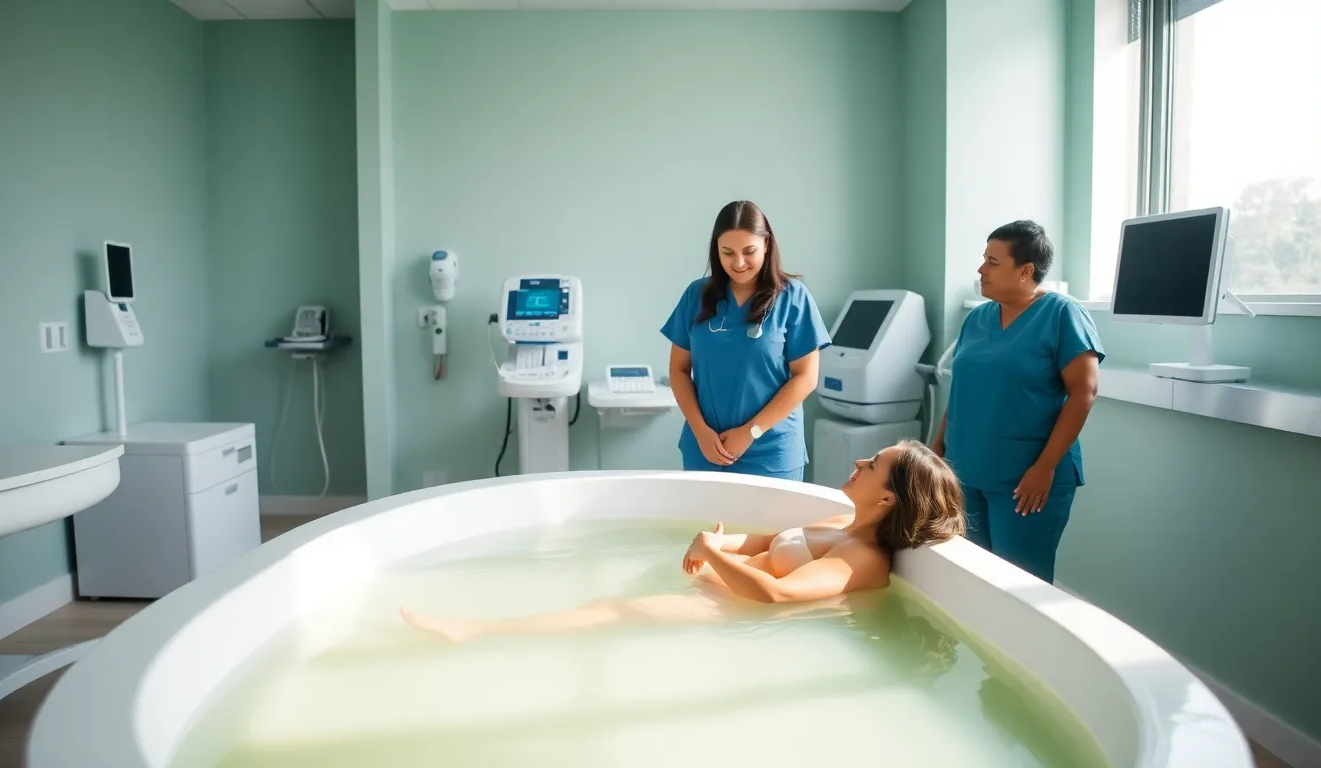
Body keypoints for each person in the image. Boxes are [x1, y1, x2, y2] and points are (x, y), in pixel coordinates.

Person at [400, 440, 966, 643]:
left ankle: (473, 631)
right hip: (712, 591)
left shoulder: (859, 559)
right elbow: (767, 541)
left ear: (887, 498)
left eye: (873, 464)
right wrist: (718, 542)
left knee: (610, 611)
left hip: (726, 616)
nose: (860, 462)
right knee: (605, 603)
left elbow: (777, 595)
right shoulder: (841, 523)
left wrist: (714, 553)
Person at [931, 220, 1104, 584]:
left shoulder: (1062, 314)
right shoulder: (976, 318)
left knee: (1017, 587)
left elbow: (1084, 393)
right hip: (965, 472)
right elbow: (963, 391)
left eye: (992, 262)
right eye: (984, 259)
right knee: (971, 580)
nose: (981, 270)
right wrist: (937, 451)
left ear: (1025, 270)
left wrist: (1045, 467)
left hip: (1026, 480)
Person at [658, 200, 831, 481]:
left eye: (749, 251)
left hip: (771, 453)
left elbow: (806, 377)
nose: (738, 263)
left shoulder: (792, 297)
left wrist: (751, 432)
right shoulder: (696, 296)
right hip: (706, 449)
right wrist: (700, 431)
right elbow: (678, 370)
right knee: (705, 513)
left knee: (771, 514)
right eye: (727, 252)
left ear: (766, 244)